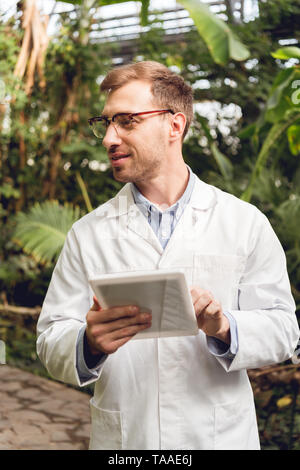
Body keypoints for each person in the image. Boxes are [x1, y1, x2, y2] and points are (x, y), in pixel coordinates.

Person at [37, 61, 299, 450]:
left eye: (126, 121)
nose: (109, 137)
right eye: (106, 122)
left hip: (217, 438)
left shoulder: (243, 222)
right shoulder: (88, 233)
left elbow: (285, 331)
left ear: (175, 126)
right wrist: (88, 343)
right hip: (127, 444)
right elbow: (50, 337)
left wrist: (224, 326)